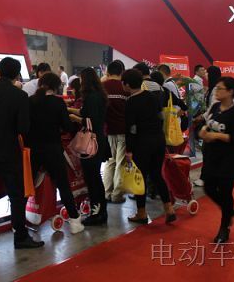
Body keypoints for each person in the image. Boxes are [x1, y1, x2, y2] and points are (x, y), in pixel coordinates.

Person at [0, 57, 44, 251]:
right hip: (8, 153)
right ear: (17, 74)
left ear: (0, 71)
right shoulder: (20, 96)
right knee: (15, 196)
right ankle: (20, 237)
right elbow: (23, 127)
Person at [28, 73, 84, 234]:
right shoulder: (58, 102)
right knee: (63, 186)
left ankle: (18, 225)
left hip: (33, 150)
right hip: (53, 149)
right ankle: (74, 222)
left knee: (28, 186)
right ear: (56, 86)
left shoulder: (30, 101)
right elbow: (67, 127)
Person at [122, 69, 176, 224]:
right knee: (157, 174)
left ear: (127, 84)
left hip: (142, 143)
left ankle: (141, 213)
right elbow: (161, 117)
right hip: (158, 139)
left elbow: (131, 129)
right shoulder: (152, 97)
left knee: (140, 177)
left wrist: (129, 150)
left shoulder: (131, 102)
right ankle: (169, 209)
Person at [199, 77, 234, 244]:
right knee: (208, 188)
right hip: (211, 157)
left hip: (228, 160)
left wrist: (216, 136)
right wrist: (204, 131)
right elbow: (207, 123)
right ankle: (229, 210)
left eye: (220, 88)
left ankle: (224, 228)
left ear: (230, 92)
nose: (216, 91)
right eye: (216, 88)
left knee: (225, 193)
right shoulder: (215, 107)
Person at [68, 67, 109, 226]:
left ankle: (96, 212)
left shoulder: (91, 97)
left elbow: (89, 120)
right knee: (95, 177)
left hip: (91, 143)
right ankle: (101, 211)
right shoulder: (99, 95)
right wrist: (71, 110)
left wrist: (73, 117)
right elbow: (87, 113)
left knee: (92, 178)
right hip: (99, 139)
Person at [102, 61, 128, 204]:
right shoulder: (125, 87)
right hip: (123, 129)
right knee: (120, 162)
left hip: (108, 129)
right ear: (121, 72)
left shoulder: (102, 86)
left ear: (108, 71)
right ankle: (117, 195)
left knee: (110, 161)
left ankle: (107, 193)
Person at [193, 65, 223, 188]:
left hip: (214, 126)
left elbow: (213, 108)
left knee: (208, 152)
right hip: (212, 124)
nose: (206, 74)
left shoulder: (216, 89)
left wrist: (202, 117)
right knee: (209, 152)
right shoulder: (212, 88)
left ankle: (205, 178)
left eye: (208, 73)